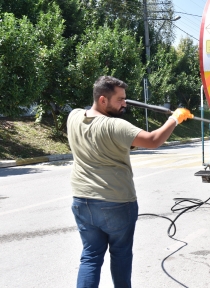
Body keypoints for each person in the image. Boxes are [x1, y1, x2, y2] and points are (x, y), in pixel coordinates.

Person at [66, 76, 193, 287]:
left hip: (82, 201)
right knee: (121, 254)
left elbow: (114, 142)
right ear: (103, 100)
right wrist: (175, 119)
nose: (125, 103)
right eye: (120, 99)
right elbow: (153, 140)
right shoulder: (115, 126)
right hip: (116, 202)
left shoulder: (74, 116)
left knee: (91, 256)